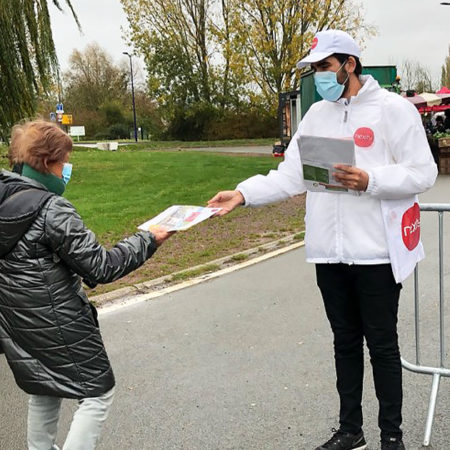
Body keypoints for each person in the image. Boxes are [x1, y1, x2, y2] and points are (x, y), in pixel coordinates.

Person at [208, 30, 437, 450]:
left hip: (376, 253)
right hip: (329, 252)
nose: (318, 77)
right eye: (314, 69)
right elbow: (290, 177)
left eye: (324, 67)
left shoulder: (394, 111)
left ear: (349, 64)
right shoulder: (316, 116)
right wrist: (243, 194)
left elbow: (424, 172)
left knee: (382, 346)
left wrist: (373, 180)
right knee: (344, 342)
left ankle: (392, 436)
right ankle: (351, 431)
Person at [0, 120, 173, 450]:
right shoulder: (51, 209)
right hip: (58, 323)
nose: (67, 169)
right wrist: (149, 239)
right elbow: (102, 266)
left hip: (18, 322)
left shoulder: (5, 200)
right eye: (64, 162)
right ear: (48, 163)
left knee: (43, 388)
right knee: (97, 393)